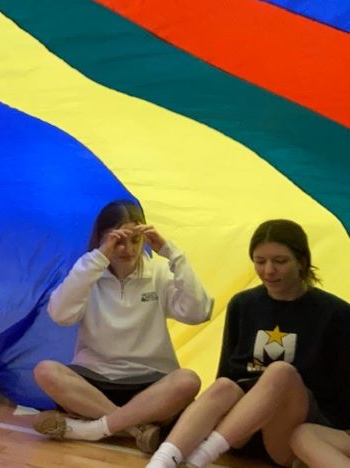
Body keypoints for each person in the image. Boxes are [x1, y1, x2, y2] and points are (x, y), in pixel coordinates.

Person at [147, 219, 350, 468]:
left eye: (280, 261)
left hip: (292, 431)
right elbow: (227, 373)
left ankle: (199, 459)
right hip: (241, 430)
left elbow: (341, 396)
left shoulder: (336, 314)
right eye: (260, 261)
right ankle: (160, 463)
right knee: (223, 386)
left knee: (280, 372)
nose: (268, 271)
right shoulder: (243, 305)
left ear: (302, 261)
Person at [32, 199, 213, 452]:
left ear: (145, 240)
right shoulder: (87, 271)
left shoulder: (158, 273)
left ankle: (92, 428)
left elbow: (199, 312)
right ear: (102, 240)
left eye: (135, 240)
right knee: (45, 371)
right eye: (118, 240)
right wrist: (97, 258)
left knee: (188, 380)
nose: (127, 249)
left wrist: (173, 253)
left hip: (150, 386)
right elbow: (60, 315)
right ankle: (135, 430)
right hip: (95, 385)